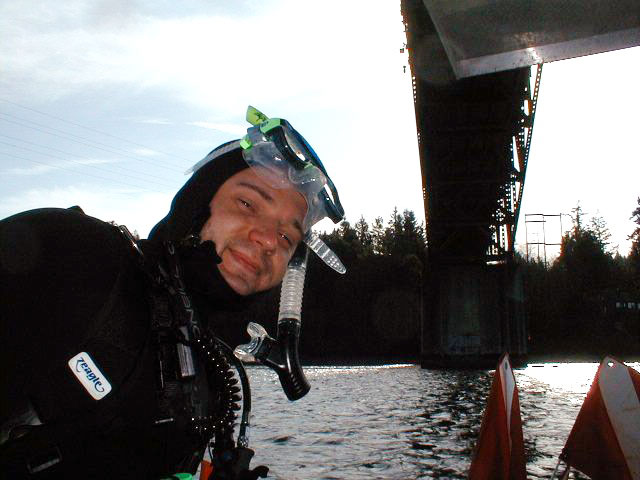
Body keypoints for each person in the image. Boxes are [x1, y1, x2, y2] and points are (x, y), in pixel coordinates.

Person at [0, 106, 345, 479]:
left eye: (285, 236)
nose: (266, 239)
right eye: (247, 203)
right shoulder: (74, 253)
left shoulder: (205, 367)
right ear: (198, 204)